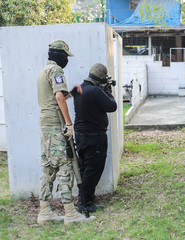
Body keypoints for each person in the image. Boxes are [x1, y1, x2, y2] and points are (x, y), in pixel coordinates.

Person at [37, 39, 95, 225]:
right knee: (65, 167)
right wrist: (69, 124)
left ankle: (44, 211)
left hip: (45, 126)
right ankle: (70, 213)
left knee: (48, 168)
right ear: (60, 55)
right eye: (66, 57)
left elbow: (58, 96)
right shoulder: (56, 70)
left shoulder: (43, 71)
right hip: (55, 126)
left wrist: (73, 93)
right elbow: (59, 97)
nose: (67, 61)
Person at [73, 63, 117, 214]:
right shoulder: (96, 91)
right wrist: (109, 92)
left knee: (85, 169)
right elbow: (112, 106)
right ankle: (85, 204)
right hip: (94, 137)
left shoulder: (79, 89)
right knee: (93, 170)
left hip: (80, 136)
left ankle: (84, 199)